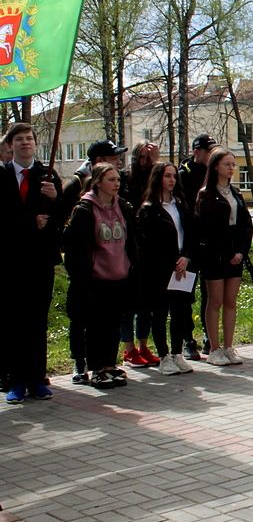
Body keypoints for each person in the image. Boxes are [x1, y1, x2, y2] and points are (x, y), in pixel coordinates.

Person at [2, 124, 64, 403]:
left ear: (36, 144)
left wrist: (56, 198)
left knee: (38, 320)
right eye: (19, 139)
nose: (25, 143)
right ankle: (16, 380)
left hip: (40, 261)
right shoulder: (2, 176)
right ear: (10, 145)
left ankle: (37, 379)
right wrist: (29, 223)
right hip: (11, 262)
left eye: (29, 138)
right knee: (15, 321)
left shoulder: (48, 175)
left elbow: (61, 218)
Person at [63, 164, 137, 390]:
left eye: (118, 179)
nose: (117, 184)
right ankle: (97, 369)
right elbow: (74, 248)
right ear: (97, 183)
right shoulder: (84, 210)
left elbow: (132, 241)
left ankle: (109, 364)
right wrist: (83, 276)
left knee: (114, 324)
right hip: (95, 279)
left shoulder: (123, 206)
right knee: (97, 326)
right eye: (111, 180)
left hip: (120, 276)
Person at [135, 162, 196, 375]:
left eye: (174, 176)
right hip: (159, 269)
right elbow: (146, 245)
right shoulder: (149, 209)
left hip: (182, 266)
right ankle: (164, 356)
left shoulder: (181, 204)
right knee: (160, 313)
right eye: (167, 176)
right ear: (157, 178)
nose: (172, 180)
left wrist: (186, 257)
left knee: (180, 312)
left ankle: (177, 353)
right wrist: (169, 261)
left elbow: (190, 234)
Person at [195, 148, 253, 365]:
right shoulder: (206, 194)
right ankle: (214, 348)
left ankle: (229, 346)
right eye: (226, 164)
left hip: (235, 257)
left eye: (233, 164)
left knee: (230, 301)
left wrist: (241, 252)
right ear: (215, 166)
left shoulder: (236, 193)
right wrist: (227, 253)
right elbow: (208, 229)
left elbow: (246, 225)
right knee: (215, 301)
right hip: (215, 256)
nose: (231, 168)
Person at [120, 141, 162, 369]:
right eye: (143, 158)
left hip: (150, 248)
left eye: (150, 158)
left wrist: (157, 165)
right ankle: (129, 349)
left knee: (147, 304)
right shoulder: (125, 178)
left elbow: (162, 191)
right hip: (128, 246)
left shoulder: (155, 177)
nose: (146, 162)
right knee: (128, 305)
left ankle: (143, 345)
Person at [178, 132, 215, 361]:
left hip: (209, 244)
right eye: (208, 151)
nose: (212, 155)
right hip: (189, 243)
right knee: (185, 295)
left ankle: (210, 337)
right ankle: (186, 339)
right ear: (197, 152)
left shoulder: (215, 172)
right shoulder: (184, 174)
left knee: (210, 294)